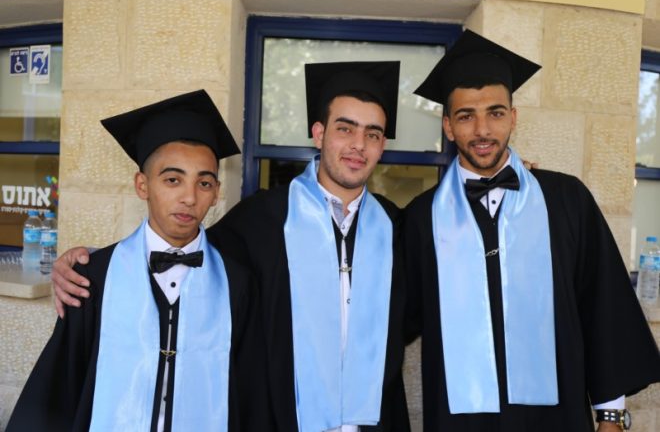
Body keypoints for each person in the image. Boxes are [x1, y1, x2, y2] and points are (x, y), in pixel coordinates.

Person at [50, 62, 410, 431]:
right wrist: (91, 261)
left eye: (372, 134)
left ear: (382, 145)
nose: (358, 145)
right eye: (345, 128)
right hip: (284, 420)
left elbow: (417, 311)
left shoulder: (395, 226)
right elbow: (183, 249)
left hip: (374, 420)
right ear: (319, 134)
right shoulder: (262, 218)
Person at [403, 29, 660, 432]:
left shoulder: (566, 200)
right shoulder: (421, 218)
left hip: (556, 420)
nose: (482, 130)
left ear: (514, 117)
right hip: (461, 422)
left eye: (495, 113)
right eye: (466, 116)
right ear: (448, 126)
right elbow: (392, 319)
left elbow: (603, 308)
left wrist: (611, 416)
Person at [7, 90, 271, 432]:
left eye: (204, 183)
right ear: (142, 185)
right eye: (173, 180)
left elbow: (251, 394)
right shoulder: (92, 278)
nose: (189, 197)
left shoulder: (238, 284)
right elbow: (59, 388)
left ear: (216, 192)